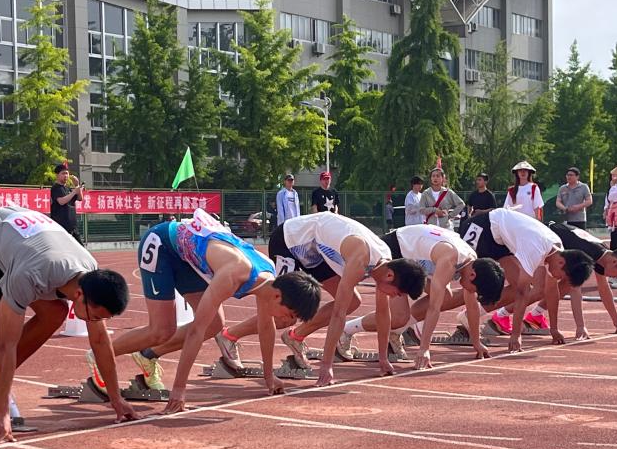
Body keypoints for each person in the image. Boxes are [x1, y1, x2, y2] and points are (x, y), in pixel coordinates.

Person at [0, 206, 133, 446]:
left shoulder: (90, 272)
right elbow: (6, 346)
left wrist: (116, 398)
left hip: (17, 248)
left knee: (55, 313)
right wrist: (1, 415)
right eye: (94, 317)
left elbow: (100, 341)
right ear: (79, 294)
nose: (93, 322)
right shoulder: (30, 275)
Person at [100, 209, 322, 410]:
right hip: (163, 244)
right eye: (290, 315)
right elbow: (196, 330)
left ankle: (147, 356)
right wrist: (179, 389)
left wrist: (269, 377)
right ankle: (101, 353)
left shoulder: (269, 279)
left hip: (189, 260)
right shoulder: (234, 274)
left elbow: (266, 327)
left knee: (215, 324)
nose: (289, 322)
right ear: (278, 297)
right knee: (161, 330)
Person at [219, 213, 426, 387]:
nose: (396, 297)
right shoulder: (360, 258)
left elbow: (382, 313)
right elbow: (338, 314)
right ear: (389, 276)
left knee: (353, 301)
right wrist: (326, 366)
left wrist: (382, 359)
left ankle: (296, 337)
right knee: (285, 315)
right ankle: (229, 335)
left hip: (318, 253)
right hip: (291, 241)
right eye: (399, 293)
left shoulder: (385, 260)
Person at [339, 225, 506, 367]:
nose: (473, 293)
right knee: (399, 317)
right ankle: (345, 330)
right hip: (395, 251)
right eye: (476, 290)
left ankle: (396, 332)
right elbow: (434, 307)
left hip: (413, 257)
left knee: (445, 297)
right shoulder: (449, 260)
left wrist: (476, 342)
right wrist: (424, 349)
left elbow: (472, 307)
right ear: (473, 276)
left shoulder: (471, 262)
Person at [460, 209, 594, 348]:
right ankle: (456, 309)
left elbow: (552, 292)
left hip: (500, 241)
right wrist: (516, 335)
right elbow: (522, 293)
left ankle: (469, 315)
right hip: (482, 227)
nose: (558, 278)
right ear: (561, 263)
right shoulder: (536, 250)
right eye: (562, 276)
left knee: (517, 287)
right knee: (470, 280)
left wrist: (554, 330)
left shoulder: (557, 249)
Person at [50, 163, 85, 244]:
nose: (66, 176)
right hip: (61, 226)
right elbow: (61, 201)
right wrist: (74, 192)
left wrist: (77, 185)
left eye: (67, 173)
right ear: (57, 175)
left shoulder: (67, 188)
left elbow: (80, 198)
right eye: (63, 173)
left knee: (80, 248)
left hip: (72, 226)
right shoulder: (56, 188)